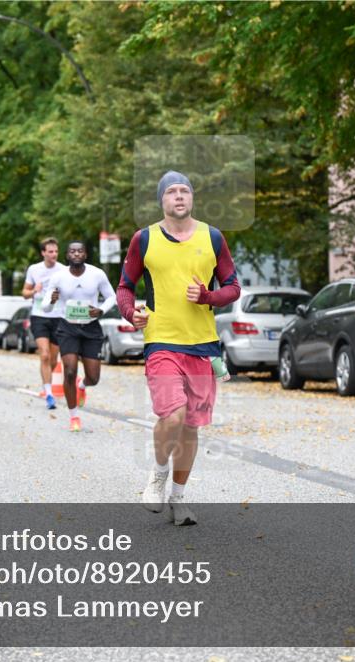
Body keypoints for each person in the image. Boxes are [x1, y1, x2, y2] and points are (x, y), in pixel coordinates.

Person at [117, 171, 241, 526]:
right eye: (171, 192)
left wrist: (208, 296)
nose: (179, 196)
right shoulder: (144, 239)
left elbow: (233, 287)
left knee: (190, 426)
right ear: (162, 200)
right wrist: (130, 313)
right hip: (161, 340)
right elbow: (125, 287)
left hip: (203, 345)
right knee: (172, 414)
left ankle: (179, 499)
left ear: (192, 198)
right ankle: (157, 476)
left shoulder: (213, 237)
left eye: (184, 190)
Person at [43, 242, 116, 431]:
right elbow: (45, 306)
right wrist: (50, 301)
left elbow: (111, 297)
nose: (76, 253)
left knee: (94, 377)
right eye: (72, 251)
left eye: (80, 251)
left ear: (85, 254)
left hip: (91, 329)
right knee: (69, 370)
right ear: (67, 255)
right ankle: (74, 417)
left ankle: (82, 385)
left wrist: (100, 310)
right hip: (67, 327)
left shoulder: (97, 274)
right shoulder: (58, 277)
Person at [23, 237, 67, 409]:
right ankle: (48, 393)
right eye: (50, 251)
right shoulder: (34, 269)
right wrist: (34, 290)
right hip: (39, 315)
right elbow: (24, 293)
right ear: (43, 253)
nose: (53, 254)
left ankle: (47, 379)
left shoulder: (64, 270)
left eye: (56, 251)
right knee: (45, 354)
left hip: (58, 317)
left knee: (54, 359)